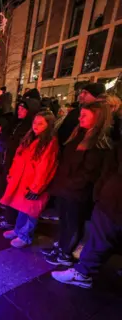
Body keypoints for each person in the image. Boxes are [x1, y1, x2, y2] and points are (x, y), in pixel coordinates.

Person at [45, 100, 113, 266]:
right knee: (64, 221)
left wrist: (70, 185)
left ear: (97, 118)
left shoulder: (99, 144)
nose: (80, 118)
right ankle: (61, 245)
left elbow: (89, 173)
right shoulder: (78, 135)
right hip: (64, 188)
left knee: (73, 223)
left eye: (84, 116)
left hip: (77, 192)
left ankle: (66, 253)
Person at [51, 140, 122, 288]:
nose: (79, 118)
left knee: (100, 236)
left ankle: (83, 272)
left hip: (113, 199)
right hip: (110, 195)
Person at [0, 111, 59, 248]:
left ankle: (25, 236)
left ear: (48, 125)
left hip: (34, 183)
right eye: (34, 122)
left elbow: (45, 167)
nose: (35, 126)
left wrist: (36, 187)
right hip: (23, 180)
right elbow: (18, 158)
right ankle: (18, 230)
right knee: (22, 207)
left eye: (40, 123)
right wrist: (12, 173)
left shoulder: (49, 143)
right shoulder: (31, 138)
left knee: (31, 210)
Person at [0, 97, 39, 229]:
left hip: (19, 165)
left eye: (23, 108)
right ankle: (8, 216)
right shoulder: (16, 123)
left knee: (14, 192)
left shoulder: (30, 128)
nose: (19, 110)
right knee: (7, 189)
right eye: (18, 108)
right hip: (9, 162)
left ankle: (11, 220)